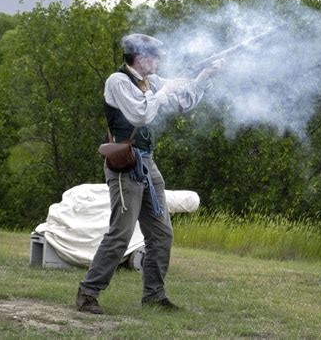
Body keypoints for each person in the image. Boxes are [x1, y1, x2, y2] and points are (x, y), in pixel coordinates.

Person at [76, 33, 222, 314]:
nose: (157, 61)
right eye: (153, 56)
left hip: (147, 163)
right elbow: (140, 114)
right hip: (125, 163)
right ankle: (88, 293)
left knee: (162, 233)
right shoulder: (117, 81)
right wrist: (165, 92)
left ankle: (154, 295)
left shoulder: (151, 82)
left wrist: (205, 75)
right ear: (141, 58)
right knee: (121, 233)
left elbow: (185, 101)